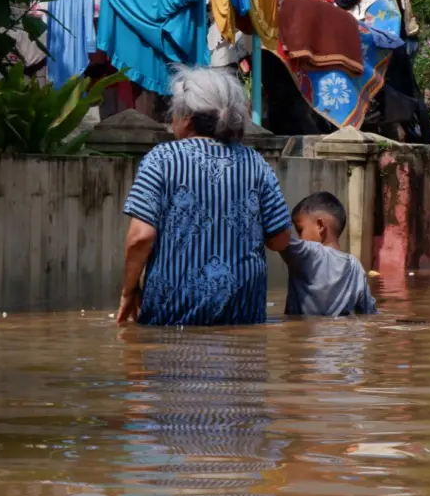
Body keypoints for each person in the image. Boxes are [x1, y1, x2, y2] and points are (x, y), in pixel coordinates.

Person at [117, 66, 292, 326]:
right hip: (242, 314)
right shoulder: (256, 164)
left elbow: (140, 237)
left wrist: (128, 291)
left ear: (187, 116)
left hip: (173, 313)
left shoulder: (161, 160)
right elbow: (280, 239)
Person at [279, 192, 378, 317]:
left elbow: (277, 235)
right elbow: (370, 312)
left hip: (305, 335)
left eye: (300, 230)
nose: (300, 238)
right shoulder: (354, 266)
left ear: (320, 225)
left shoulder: (308, 254)